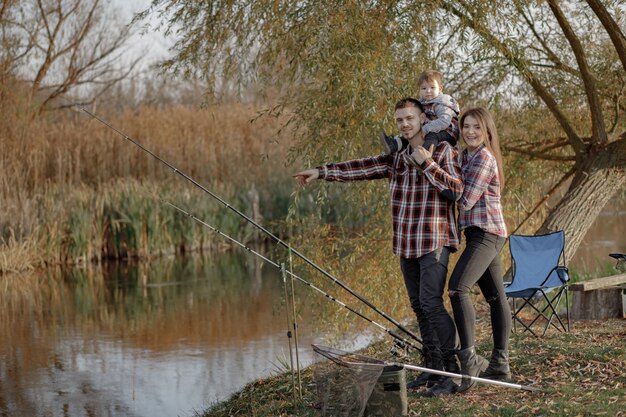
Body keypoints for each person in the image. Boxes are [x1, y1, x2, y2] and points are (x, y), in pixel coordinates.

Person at [293, 98, 464, 397]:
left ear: (424, 118)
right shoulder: (396, 157)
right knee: (418, 307)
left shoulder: (444, 150)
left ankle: (452, 372)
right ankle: (432, 370)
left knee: (431, 303)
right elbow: (360, 168)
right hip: (406, 243)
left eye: (410, 118)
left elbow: (456, 190)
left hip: (435, 240)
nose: (405, 124)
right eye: (400, 120)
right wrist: (321, 172)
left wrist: (427, 163)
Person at [446, 107, 512, 393]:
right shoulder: (465, 156)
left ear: (487, 131)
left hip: (488, 233)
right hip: (478, 233)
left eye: (476, 127)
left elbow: (466, 200)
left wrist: (432, 169)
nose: (470, 132)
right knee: (496, 298)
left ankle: (469, 358)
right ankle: (500, 363)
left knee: (458, 288)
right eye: (466, 127)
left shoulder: (484, 158)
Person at [380, 69, 460, 157]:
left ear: (440, 88)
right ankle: (393, 145)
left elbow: (444, 121)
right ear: (419, 90)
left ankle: (423, 155)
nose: (428, 91)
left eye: (432, 87)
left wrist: (426, 128)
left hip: (448, 132)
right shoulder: (423, 102)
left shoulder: (442, 103)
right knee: (412, 133)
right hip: (432, 129)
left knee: (432, 136)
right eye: (424, 88)